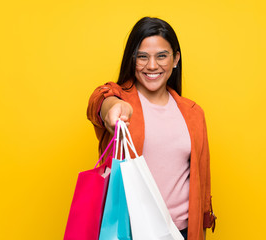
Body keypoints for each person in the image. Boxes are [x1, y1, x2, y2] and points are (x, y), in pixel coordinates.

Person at [87, 17, 215, 240]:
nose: (152, 66)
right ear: (131, 59)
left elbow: (202, 184)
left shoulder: (194, 113)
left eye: (162, 56)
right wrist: (113, 106)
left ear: (175, 59)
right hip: (130, 230)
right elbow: (98, 101)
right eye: (142, 57)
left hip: (182, 230)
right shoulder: (120, 100)